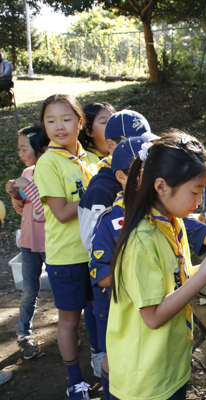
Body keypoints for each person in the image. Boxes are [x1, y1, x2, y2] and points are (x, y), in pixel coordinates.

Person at [106, 132, 206, 400]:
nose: (198, 200)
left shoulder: (172, 221)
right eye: (195, 191)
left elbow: (172, 281)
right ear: (161, 186)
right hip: (144, 381)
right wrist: (203, 275)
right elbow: (153, 316)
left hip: (168, 368)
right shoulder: (142, 241)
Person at [77, 109, 158, 379]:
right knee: (113, 356)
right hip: (111, 290)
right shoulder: (102, 189)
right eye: (134, 145)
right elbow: (92, 242)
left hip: (135, 290)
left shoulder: (142, 187)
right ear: (111, 147)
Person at [34, 94, 100, 400]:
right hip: (67, 258)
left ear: (80, 122)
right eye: (50, 121)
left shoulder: (92, 161)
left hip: (98, 253)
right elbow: (61, 212)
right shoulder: (47, 162)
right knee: (70, 319)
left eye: (66, 118)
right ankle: (75, 379)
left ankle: (103, 364)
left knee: (99, 313)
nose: (59, 126)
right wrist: (96, 198)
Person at [4, 126, 50, 360]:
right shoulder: (27, 171)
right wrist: (15, 195)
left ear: (39, 150)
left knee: (63, 291)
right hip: (29, 242)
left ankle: (70, 331)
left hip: (51, 244)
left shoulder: (49, 172)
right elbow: (24, 210)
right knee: (29, 290)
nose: (20, 153)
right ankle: (23, 334)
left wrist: (27, 187)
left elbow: (46, 212)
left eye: (24, 148)